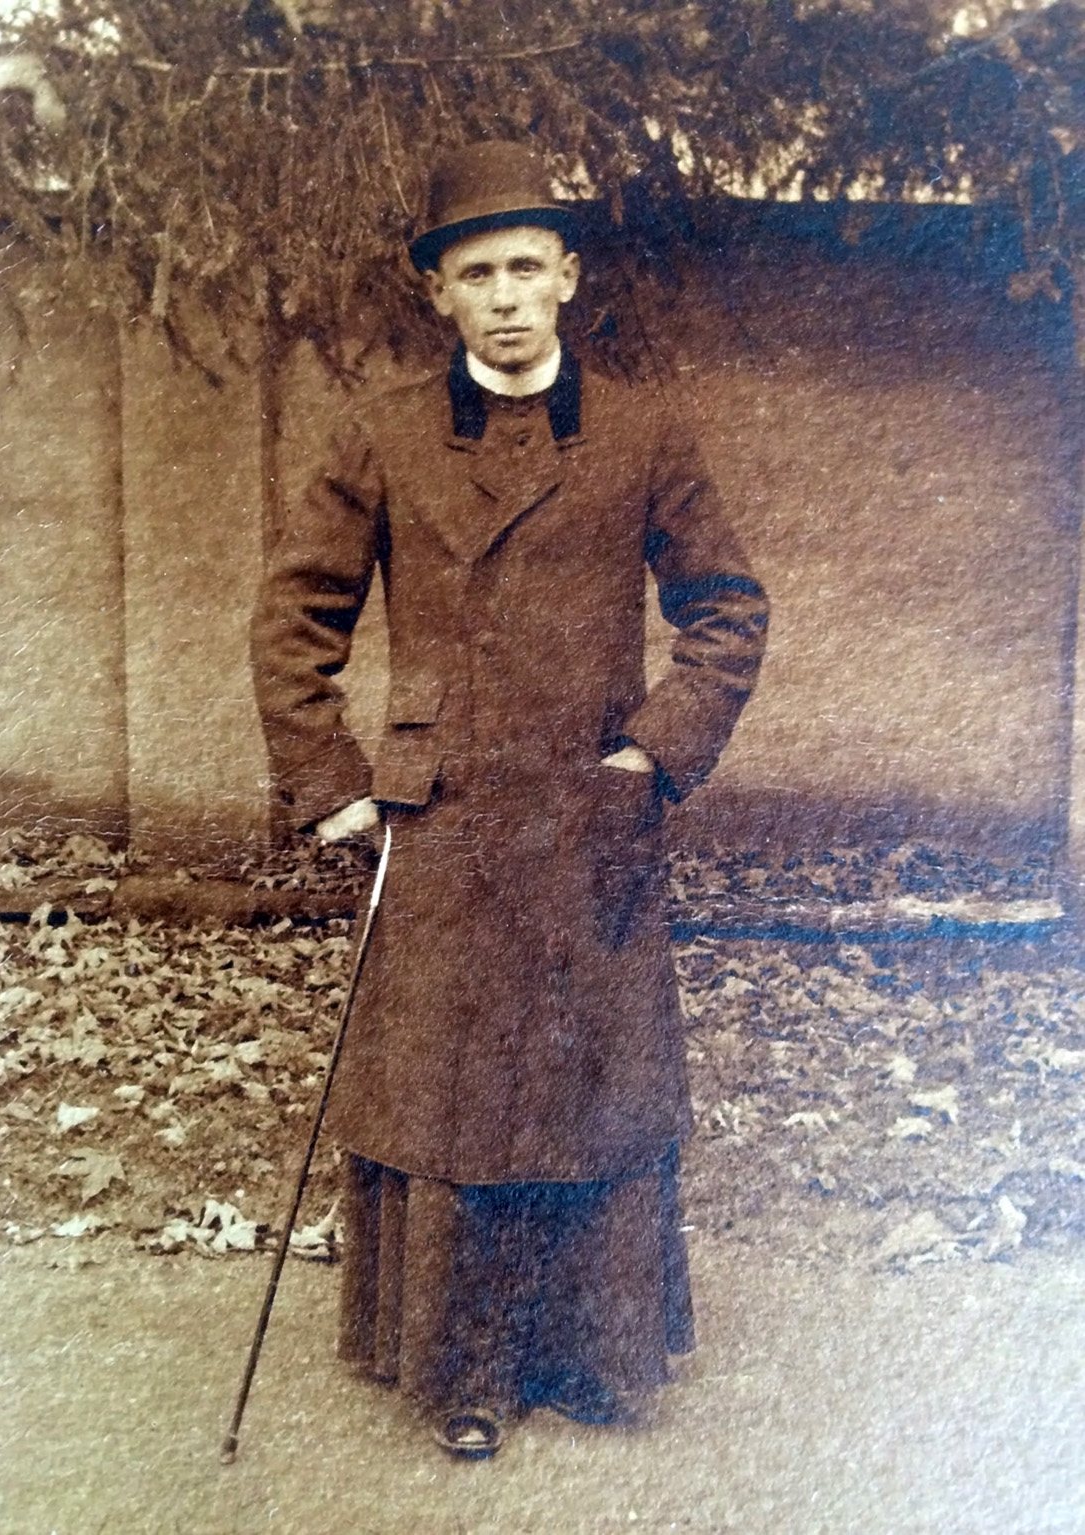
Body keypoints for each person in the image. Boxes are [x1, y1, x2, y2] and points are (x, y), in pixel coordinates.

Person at [251, 141, 768, 1457]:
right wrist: (332, 787)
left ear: (568, 277)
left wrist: (652, 754)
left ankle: (595, 1357)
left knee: (594, 1078)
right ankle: (463, 1373)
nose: (505, 297)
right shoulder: (382, 432)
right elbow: (295, 616)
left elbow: (726, 610)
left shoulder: (644, 431)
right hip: (442, 818)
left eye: (526, 267)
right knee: (457, 1090)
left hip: (592, 810)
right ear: (438, 293)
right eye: (475, 273)